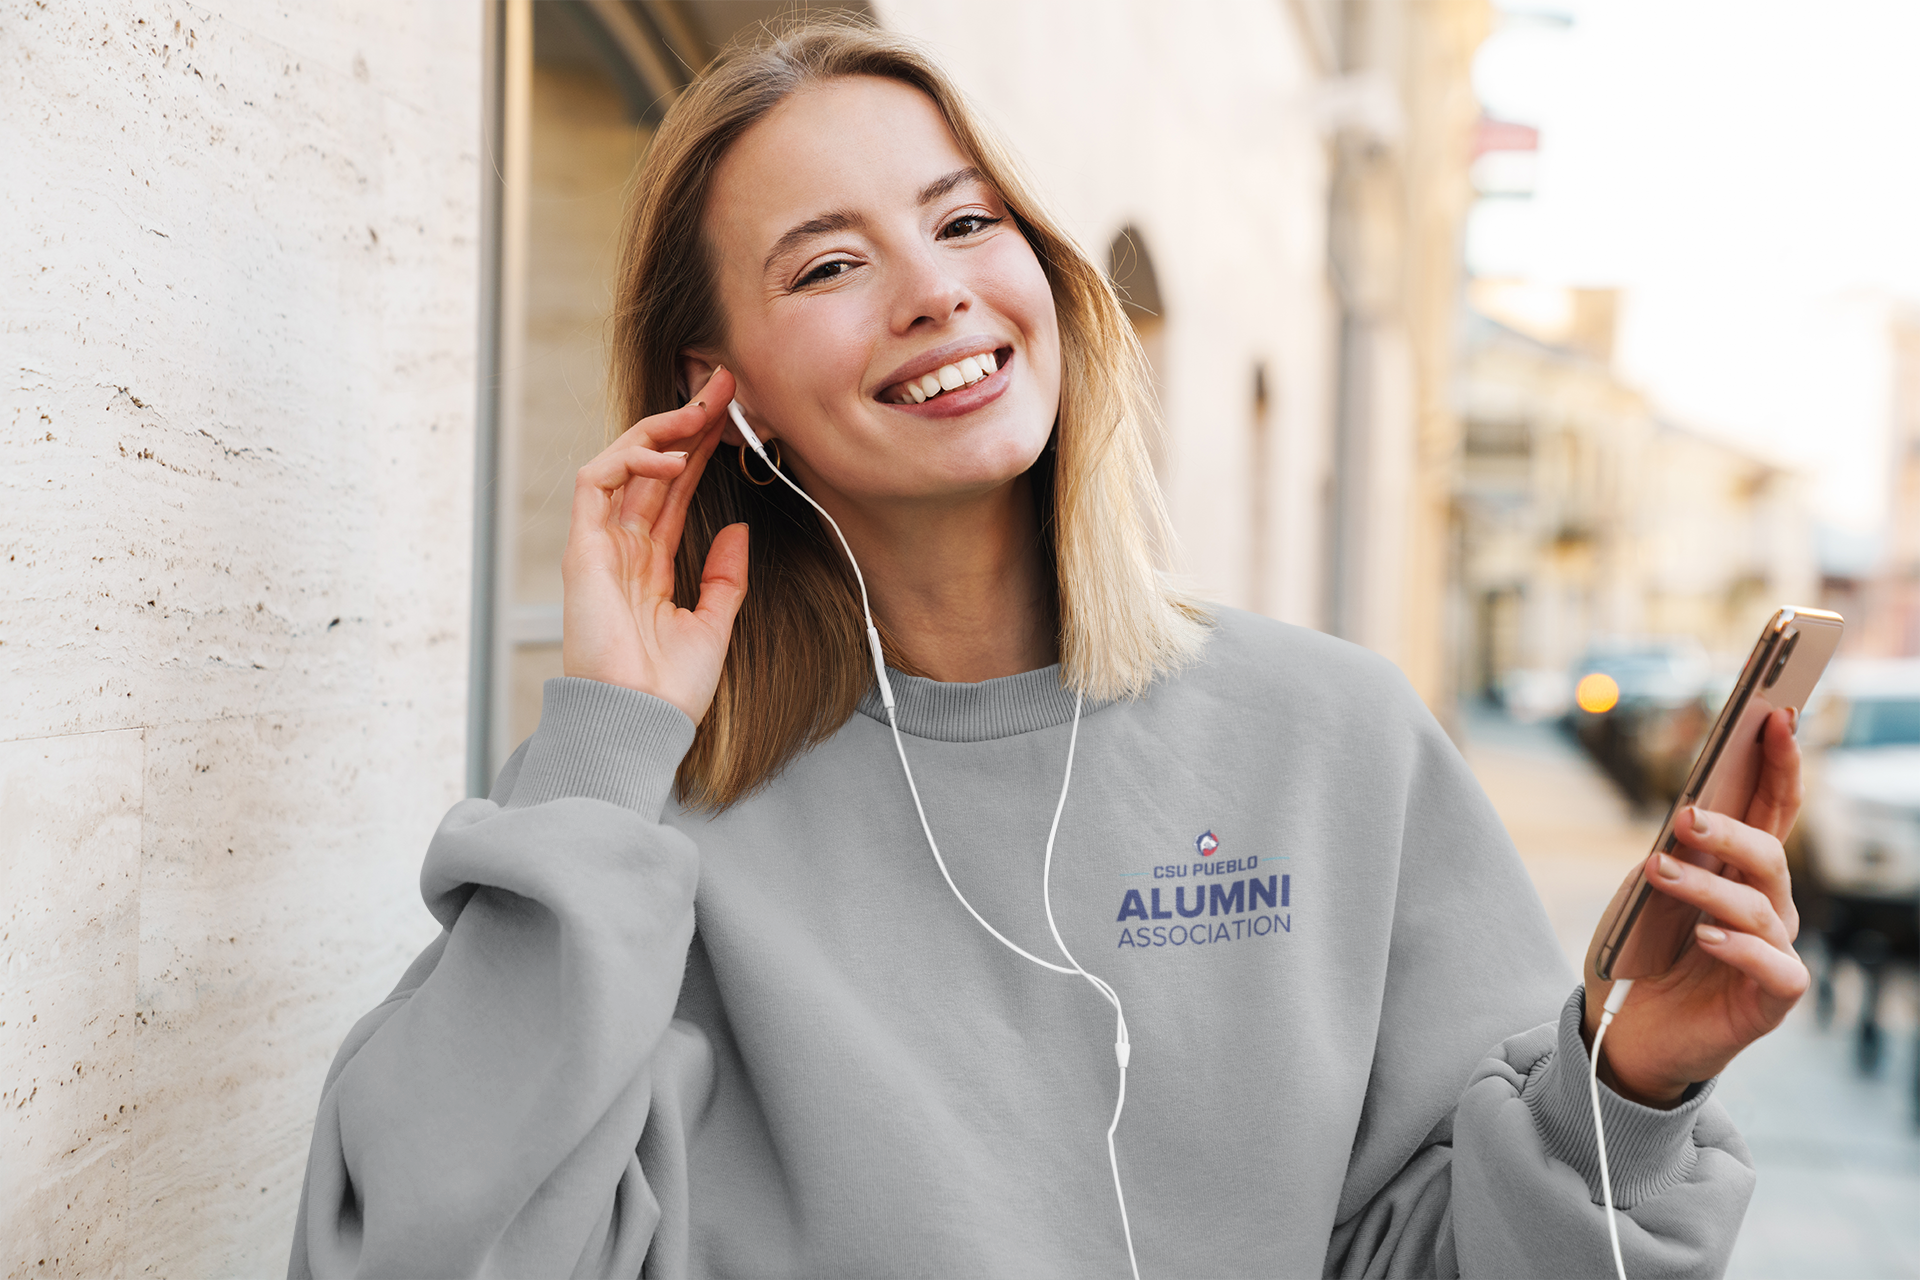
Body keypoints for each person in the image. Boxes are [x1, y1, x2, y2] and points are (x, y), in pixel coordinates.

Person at [288, 17, 1809, 1279]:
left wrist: (1625, 1090)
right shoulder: (638, 838)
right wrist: (608, 738)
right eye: (829, 266)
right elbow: (426, 1246)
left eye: (964, 220)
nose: (938, 287)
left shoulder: (1332, 737)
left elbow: (1434, 1253)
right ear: (720, 385)